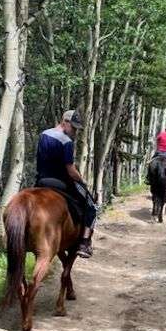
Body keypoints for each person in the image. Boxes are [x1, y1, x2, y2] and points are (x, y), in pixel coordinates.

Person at [35, 109, 97, 258]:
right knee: (91, 205)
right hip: (60, 182)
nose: (75, 131)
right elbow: (70, 170)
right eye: (73, 127)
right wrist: (82, 180)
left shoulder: (44, 134)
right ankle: (84, 242)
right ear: (65, 121)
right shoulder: (66, 141)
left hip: (41, 180)